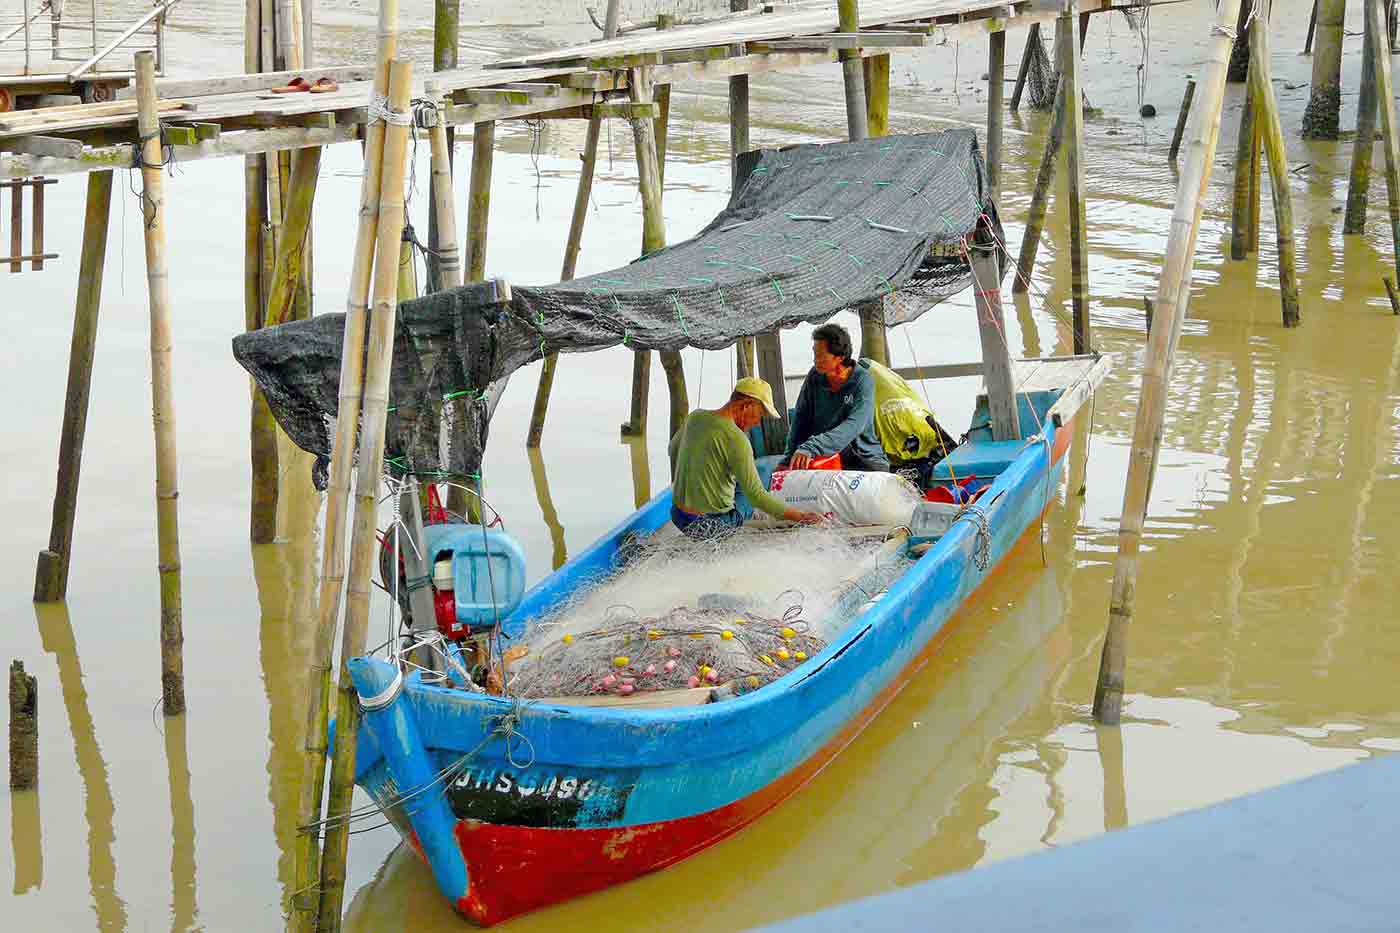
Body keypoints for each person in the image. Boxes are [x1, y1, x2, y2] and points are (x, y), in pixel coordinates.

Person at [668, 377, 826, 538]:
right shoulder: (738, 440)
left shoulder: (695, 417)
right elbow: (756, 496)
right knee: (763, 473)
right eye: (760, 414)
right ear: (746, 405)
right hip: (711, 525)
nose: (758, 422)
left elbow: (672, 449)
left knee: (742, 477)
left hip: (678, 515)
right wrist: (800, 517)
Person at [784, 323, 889, 473]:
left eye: (821, 356)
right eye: (814, 354)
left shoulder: (863, 380)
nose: (815, 360)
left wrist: (812, 446)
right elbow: (801, 419)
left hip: (864, 459)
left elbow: (854, 426)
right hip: (824, 457)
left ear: (840, 357)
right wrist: (787, 458)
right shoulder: (814, 376)